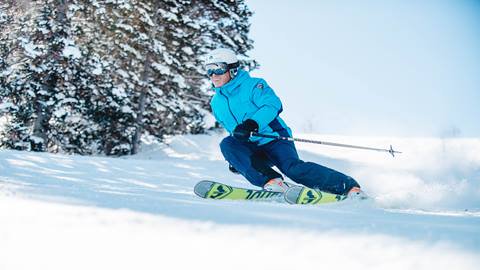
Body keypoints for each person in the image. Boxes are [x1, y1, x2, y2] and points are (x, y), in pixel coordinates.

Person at [206, 48, 364, 197]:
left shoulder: (254, 85)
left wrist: (251, 123)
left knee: (293, 169)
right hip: (252, 146)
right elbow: (233, 132)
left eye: (218, 69)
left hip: (274, 138)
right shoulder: (216, 103)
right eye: (209, 70)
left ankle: (348, 187)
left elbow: (272, 105)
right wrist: (236, 157)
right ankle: (272, 182)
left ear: (232, 69)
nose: (213, 75)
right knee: (227, 144)